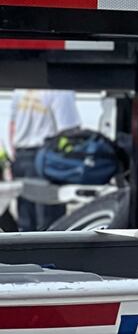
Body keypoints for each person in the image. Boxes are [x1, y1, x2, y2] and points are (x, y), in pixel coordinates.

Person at [7, 89, 82, 231]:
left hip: (21, 156)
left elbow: (12, 126)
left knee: (26, 224)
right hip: (47, 160)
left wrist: (14, 155)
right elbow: (69, 131)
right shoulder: (60, 90)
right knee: (50, 226)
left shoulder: (20, 88)